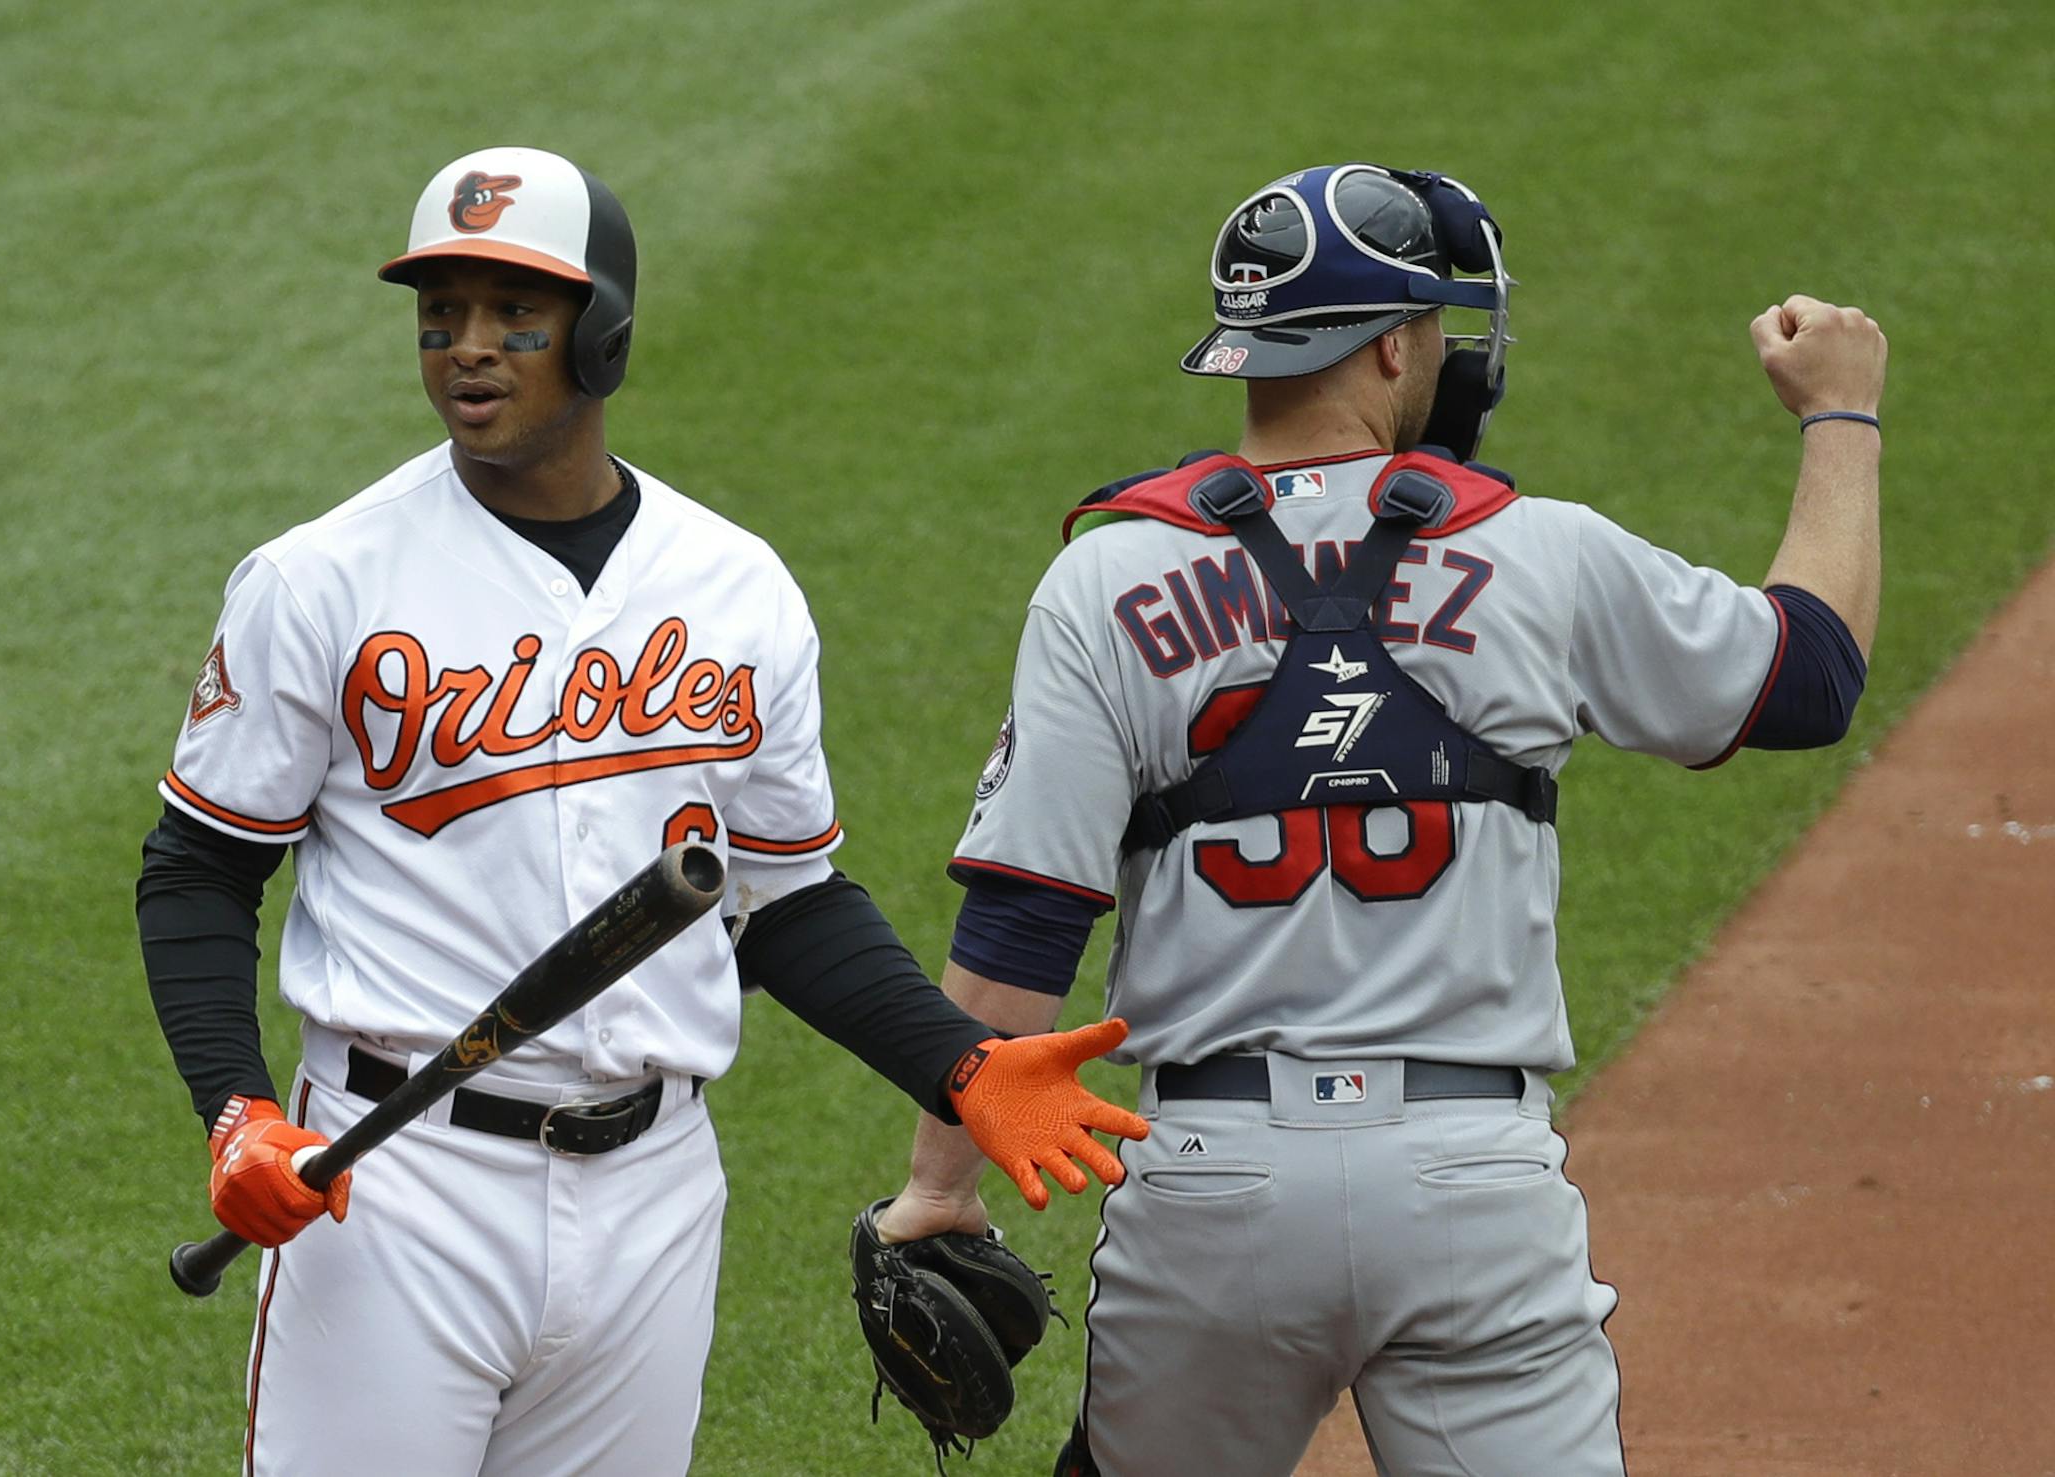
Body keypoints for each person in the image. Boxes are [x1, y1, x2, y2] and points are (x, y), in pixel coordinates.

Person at [134, 145, 1145, 1477]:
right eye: (441, 315)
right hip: (393, 1183)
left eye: (515, 316)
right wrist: (236, 1109)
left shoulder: (734, 586)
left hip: (654, 1193)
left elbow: (779, 900)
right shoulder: (319, 580)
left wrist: (954, 1060)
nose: (468, 349)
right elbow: (197, 871)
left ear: (603, 336)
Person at [872, 162, 1885, 1476]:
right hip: (1469, 1181)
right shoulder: (1541, 551)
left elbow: (1020, 931)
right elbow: (1810, 676)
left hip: (1211, 1186)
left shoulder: (1106, 577)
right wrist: (1841, 415)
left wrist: (941, 1186)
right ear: (1393, 343)